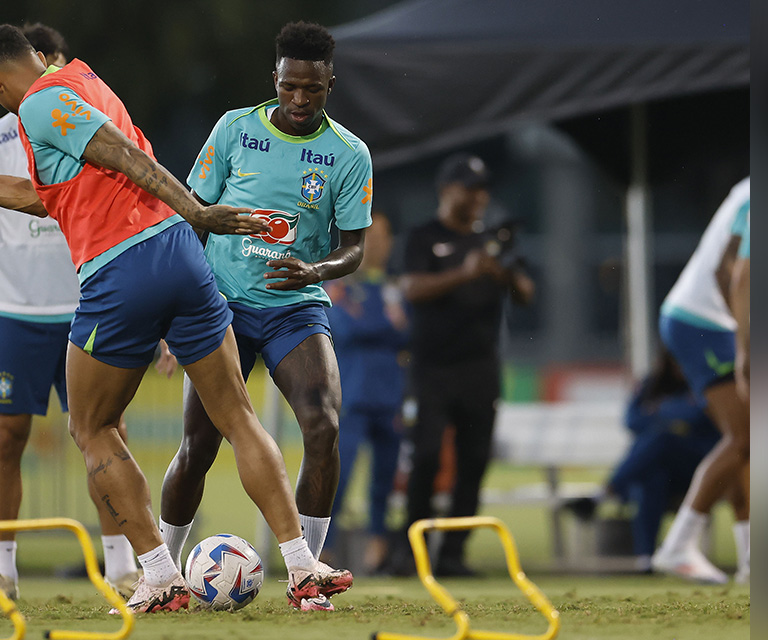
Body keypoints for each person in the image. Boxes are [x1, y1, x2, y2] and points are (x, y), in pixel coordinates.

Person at [0, 24, 349, 613]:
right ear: (39, 56)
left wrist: (198, 208)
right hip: (180, 258)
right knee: (238, 416)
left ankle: (159, 574)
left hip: (121, 267)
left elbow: (120, 152)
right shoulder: (82, 78)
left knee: (91, 427)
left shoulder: (37, 104)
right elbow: (45, 197)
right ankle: (301, 567)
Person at [154, 22, 371, 601]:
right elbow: (193, 218)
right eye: (290, 86)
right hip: (219, 306)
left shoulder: (348, 154)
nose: (300, 100)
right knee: (198, 447)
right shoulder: (234, 129)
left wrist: (317, 270)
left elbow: (354, 247)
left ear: (330, 84)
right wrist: (179, 314)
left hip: (294, 308)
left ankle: (307, 576)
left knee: (323, 425)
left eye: (314, 90)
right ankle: (160, 575)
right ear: (274, 78)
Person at [0, 24, 142, 603]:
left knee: (107, 434)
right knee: (6, 439)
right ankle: (3, 574)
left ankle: (123, 567)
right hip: (15, 313)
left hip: (87, 305)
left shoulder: (85, 127)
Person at [396, 154, 535, 576]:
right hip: (432, 370)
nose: (479, 197)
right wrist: (464, 273)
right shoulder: (424, 237)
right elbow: (411, 288)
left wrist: (503, 275)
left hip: (480, 370)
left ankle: (454, 554)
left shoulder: (493, 241)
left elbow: (528, 293)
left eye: (483, 189)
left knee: (474, 463)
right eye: (470, 188)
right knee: (426, 457)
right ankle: (412, 550)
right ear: (447, 190)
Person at [651, 177, 751, 584]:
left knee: (746, 440)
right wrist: (747, 346)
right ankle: (677, 545)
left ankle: (752, 559)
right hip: (703, 322)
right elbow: (737, 274)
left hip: (704, 320)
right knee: (748, 437)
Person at [571, 348, 722, 572]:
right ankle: (647, 561)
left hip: (696, 470)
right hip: (660, 469)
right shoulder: (652, 384)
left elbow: (698, 416)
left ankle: (606, 492)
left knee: (661, 439)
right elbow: (632, 420)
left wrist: (660, 412)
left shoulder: (705, 383)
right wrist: (674, 419)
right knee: (651, 479)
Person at [321, 211, 406, 571]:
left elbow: (409, 333)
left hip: (391, 396)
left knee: (384, 480)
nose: (380, 244)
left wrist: (377, 324)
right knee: (338, 475)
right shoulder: (336, 287)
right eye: (374, 236)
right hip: (351, 396)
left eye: (386, 236)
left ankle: (378, 549)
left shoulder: (394, 287)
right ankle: (322, 548)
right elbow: (346, 328)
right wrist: (387, 325)